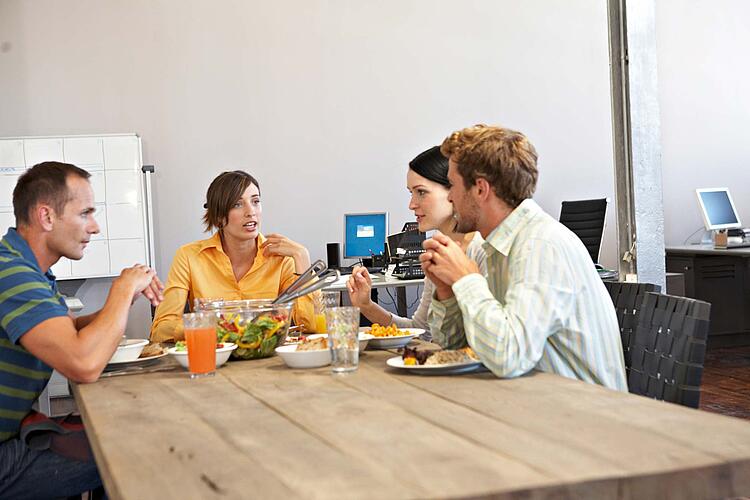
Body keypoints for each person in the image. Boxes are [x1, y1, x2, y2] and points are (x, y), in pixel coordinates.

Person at [0, 162, 164, 498]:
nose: (95, 227)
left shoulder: (26, 268)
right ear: (46, 217)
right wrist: (120, 290)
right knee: (134, 450)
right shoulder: (12, 272)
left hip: (13, 433)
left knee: (114, 431)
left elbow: (65, 330)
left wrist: (120, 302)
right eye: (85, 213)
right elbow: (82, 363)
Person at [421, 125, 627, 391]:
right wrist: (447, 291)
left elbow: (508, 356)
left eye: (452, 185)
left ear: (481, 189)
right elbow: (457, 346)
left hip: (581, 416)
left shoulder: (540, 245)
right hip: (534, 402)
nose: (449, 196)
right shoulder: (498, 245)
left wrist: (466, 279)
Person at [150, 170, 315, 342]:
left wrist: (302, 257)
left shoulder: (282, 258)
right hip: (213, 359)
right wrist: (216, 328)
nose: (251, 212)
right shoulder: (189, 256)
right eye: (237, 204)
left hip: (268, 360)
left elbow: (309, 325)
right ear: (219, 217)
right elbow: (161, 330)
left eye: (255, 201)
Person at [347, 146, 486, 334]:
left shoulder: (483, 249)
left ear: (455, 190)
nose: (411, 204)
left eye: (421, 192)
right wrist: (366, 306)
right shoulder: (438, 248)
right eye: (410, 193)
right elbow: (421, 329)